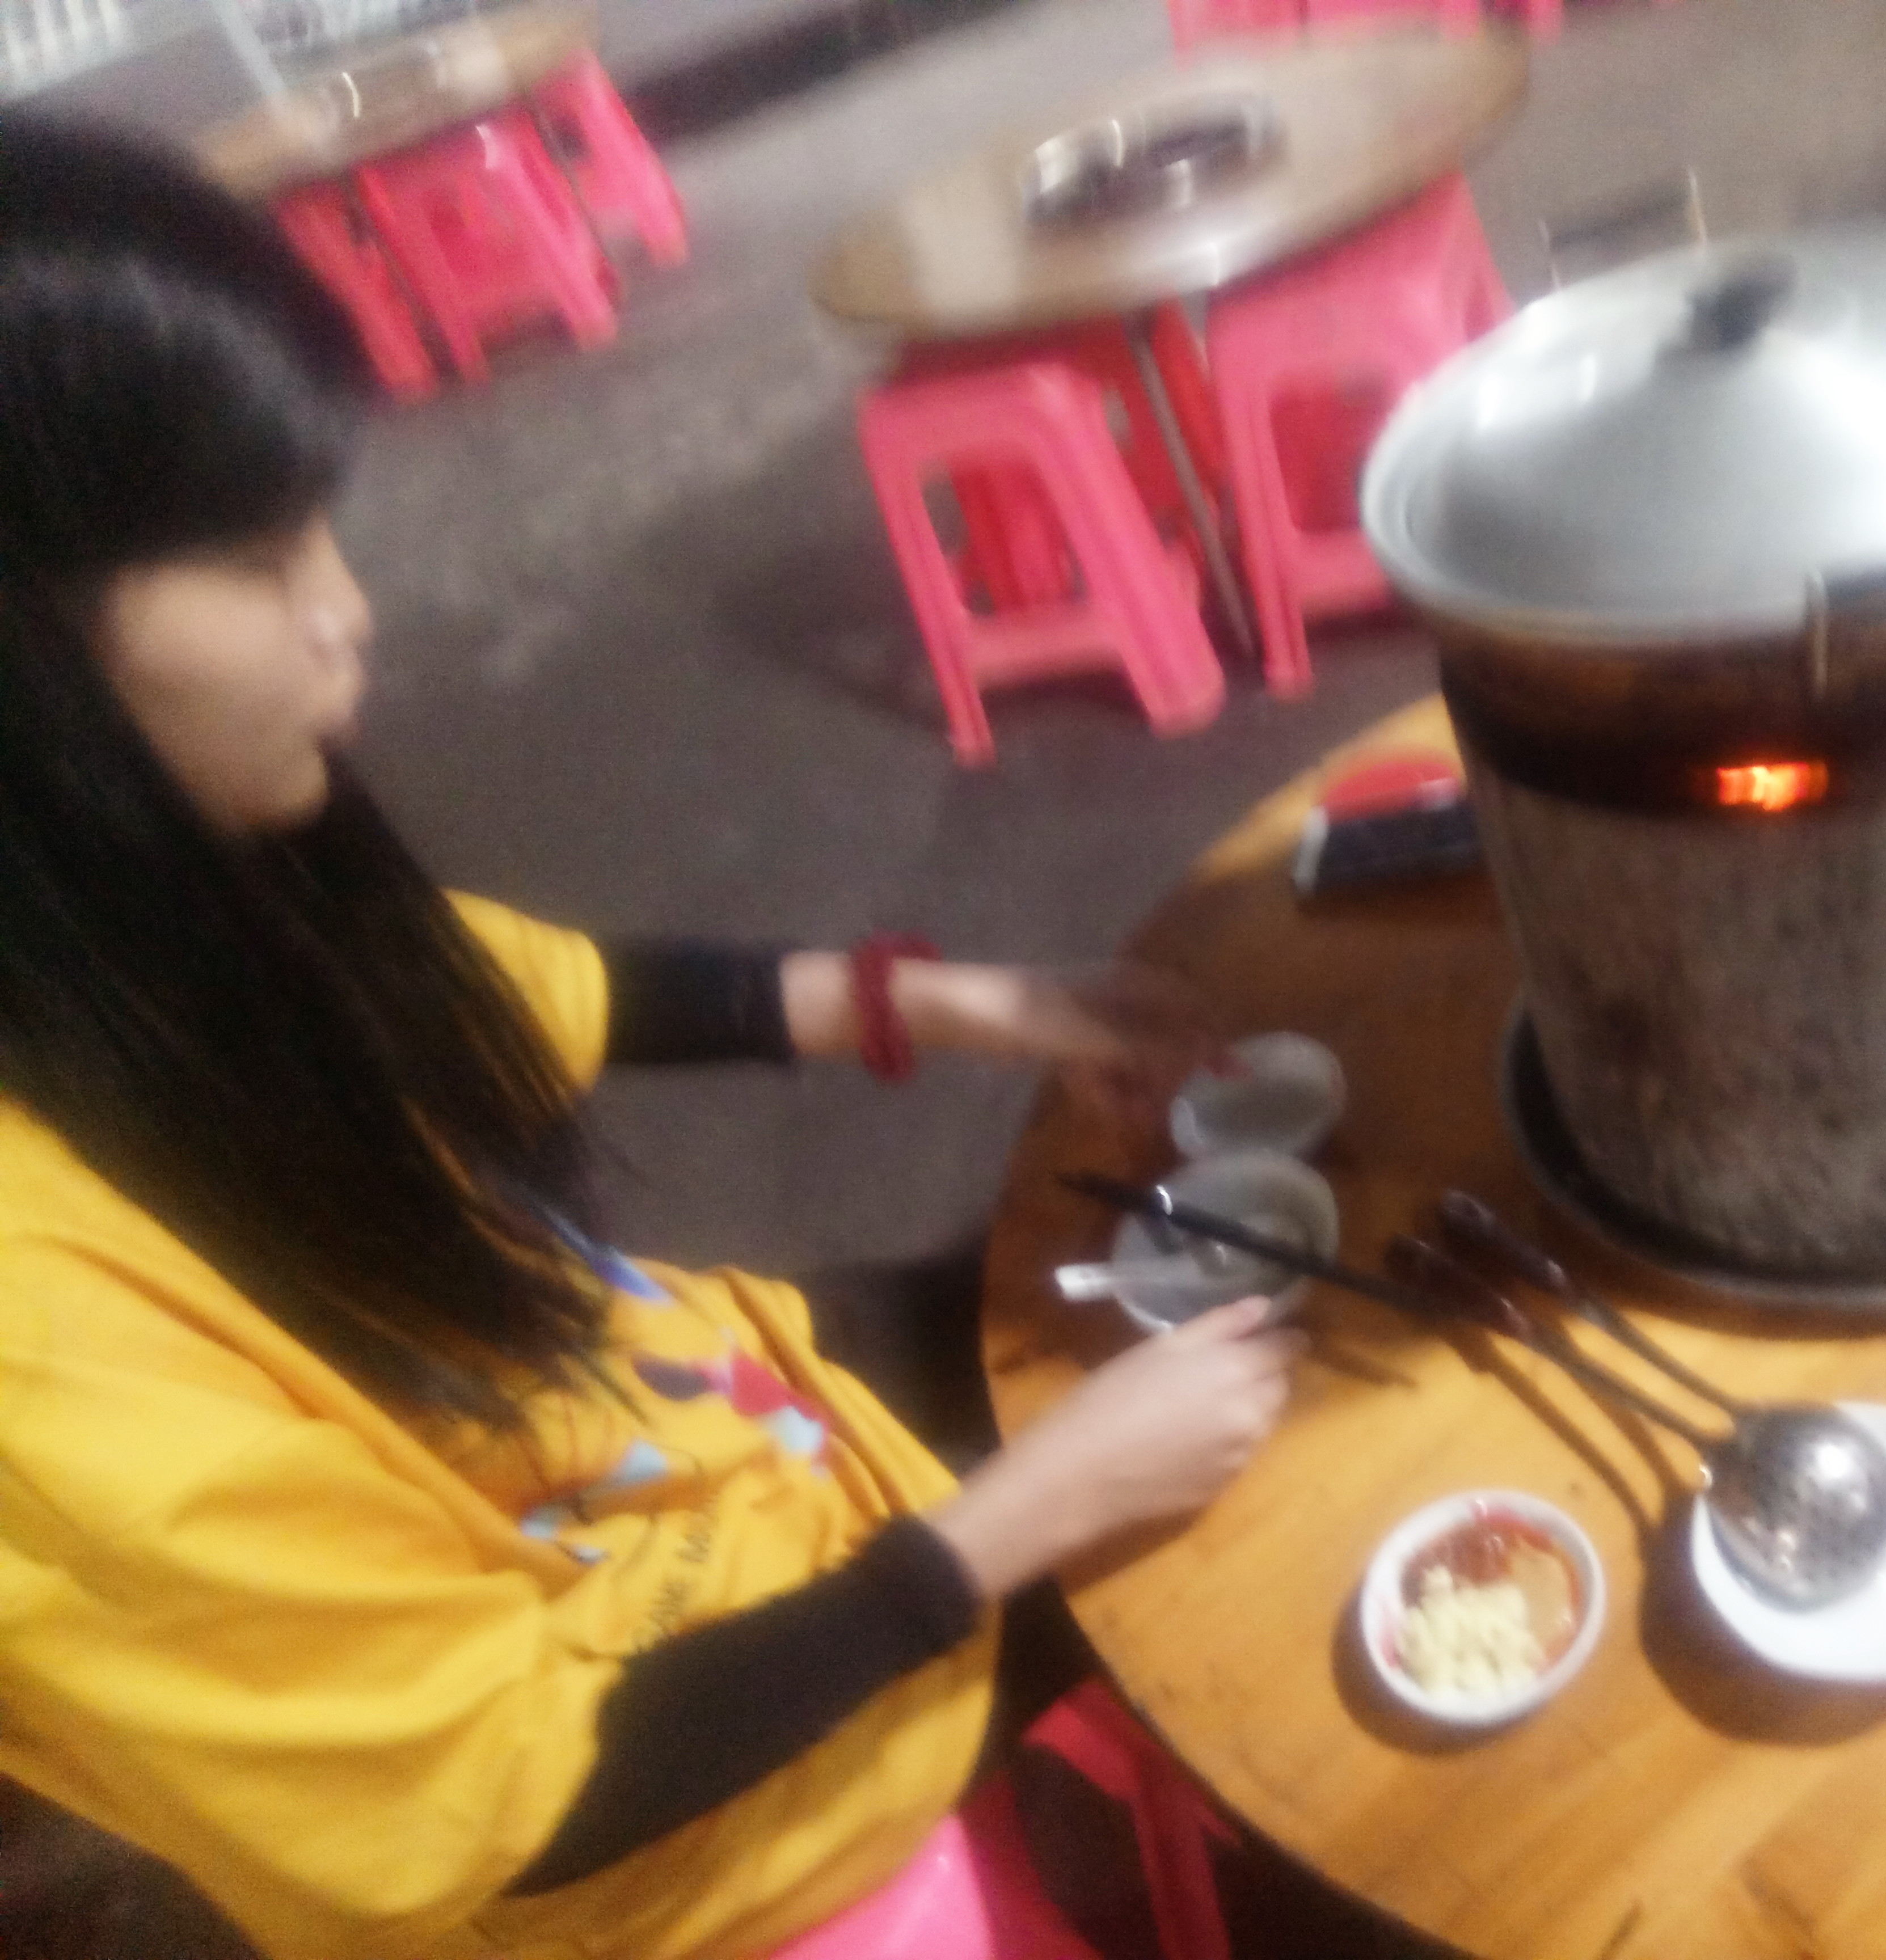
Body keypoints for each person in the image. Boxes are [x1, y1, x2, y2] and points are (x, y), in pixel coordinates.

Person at [0, 117, 1309, 1960]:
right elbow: (520, 1791)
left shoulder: (154, 912)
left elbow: (531, 996)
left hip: (737, 1448)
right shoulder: (41, 1367)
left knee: (1159, 1312)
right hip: (691, 1851)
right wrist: (1036, 1512)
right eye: (258, 553)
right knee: (1245, 1531)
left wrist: (961, 1002)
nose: (348, 610)